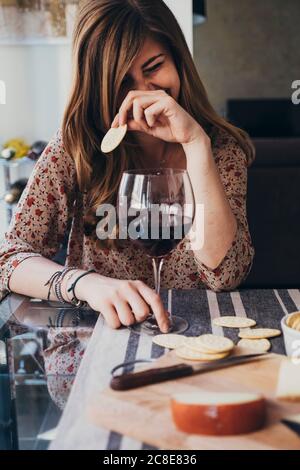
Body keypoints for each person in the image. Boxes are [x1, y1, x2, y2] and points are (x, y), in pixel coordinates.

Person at [0, 0, 255, 333]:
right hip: (95, 337)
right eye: (122, 82)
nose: (143, 92)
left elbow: (225, 275)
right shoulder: (76, 144)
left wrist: (195, 145)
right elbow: (8, 259)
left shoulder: (219, 148)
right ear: (97, 89)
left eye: (154, 67)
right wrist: (84, 283)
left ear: (178, 59)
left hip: (191, 337)